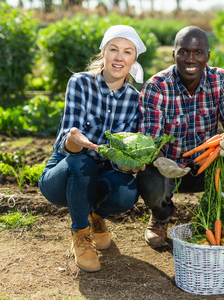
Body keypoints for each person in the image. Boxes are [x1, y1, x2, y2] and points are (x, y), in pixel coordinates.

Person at [136, 26, 224, 247]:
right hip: (168, 169)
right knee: (150, 180)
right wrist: (159, 159)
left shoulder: (220, 79)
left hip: (208, 167)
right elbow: (151, 138)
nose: (191, 59)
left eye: (198, 53)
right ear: (173, 54)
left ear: (207, 56)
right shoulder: (157, 87)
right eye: (184, 52)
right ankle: (160, 218)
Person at [38, 25, 147, 272]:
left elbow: (122, 152)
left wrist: (127, 162)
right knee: (82, 162)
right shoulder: (80, 83)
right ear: (103, 53)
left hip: (101, 175)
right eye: (113, 49)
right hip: (63, 175)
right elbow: (66, 140)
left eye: (127, 52)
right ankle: (80, 234)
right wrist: (74, 141)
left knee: (127, 192)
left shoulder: (134, 100)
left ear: (133, 60)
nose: (119, 57)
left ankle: (96, 215)